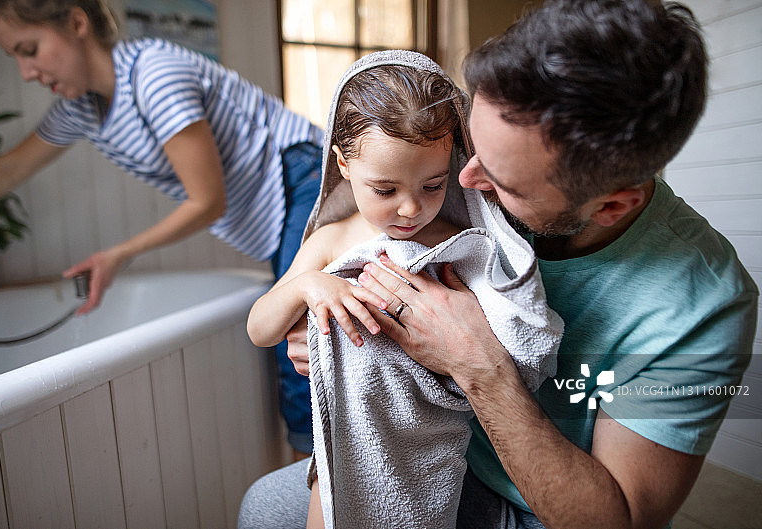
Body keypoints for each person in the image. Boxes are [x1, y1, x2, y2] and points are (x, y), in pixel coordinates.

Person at [238, 1, 758, 528]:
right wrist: (333, 341)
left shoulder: (702, 306)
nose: (465, 183)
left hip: (542, 508)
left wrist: (478, 367)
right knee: (265, 504)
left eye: (502, 182)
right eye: (470, 148)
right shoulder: (455, 185)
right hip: (419, 453)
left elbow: (613, 521)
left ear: (610, 206)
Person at [0, 0, 321, 456]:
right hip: (280, 202)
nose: (26, 72)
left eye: (29, 49)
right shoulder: (81, 110)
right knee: (298, 346)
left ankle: (319, 498)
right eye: (14, 57)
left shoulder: (153, 74)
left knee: (297, 347)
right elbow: (7, 170)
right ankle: (312, 492)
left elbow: (207, 202)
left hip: (304, 177)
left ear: (76, 23)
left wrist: (118, 253)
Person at [247, 60, 462, 529]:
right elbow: (261, 329)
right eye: (385, 189)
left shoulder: (456, 242)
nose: (411, 208)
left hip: (429, 448)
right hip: (347, 442)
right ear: (344, 164)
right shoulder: (331, 241)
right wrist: (308, 284)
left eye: (433, 185)